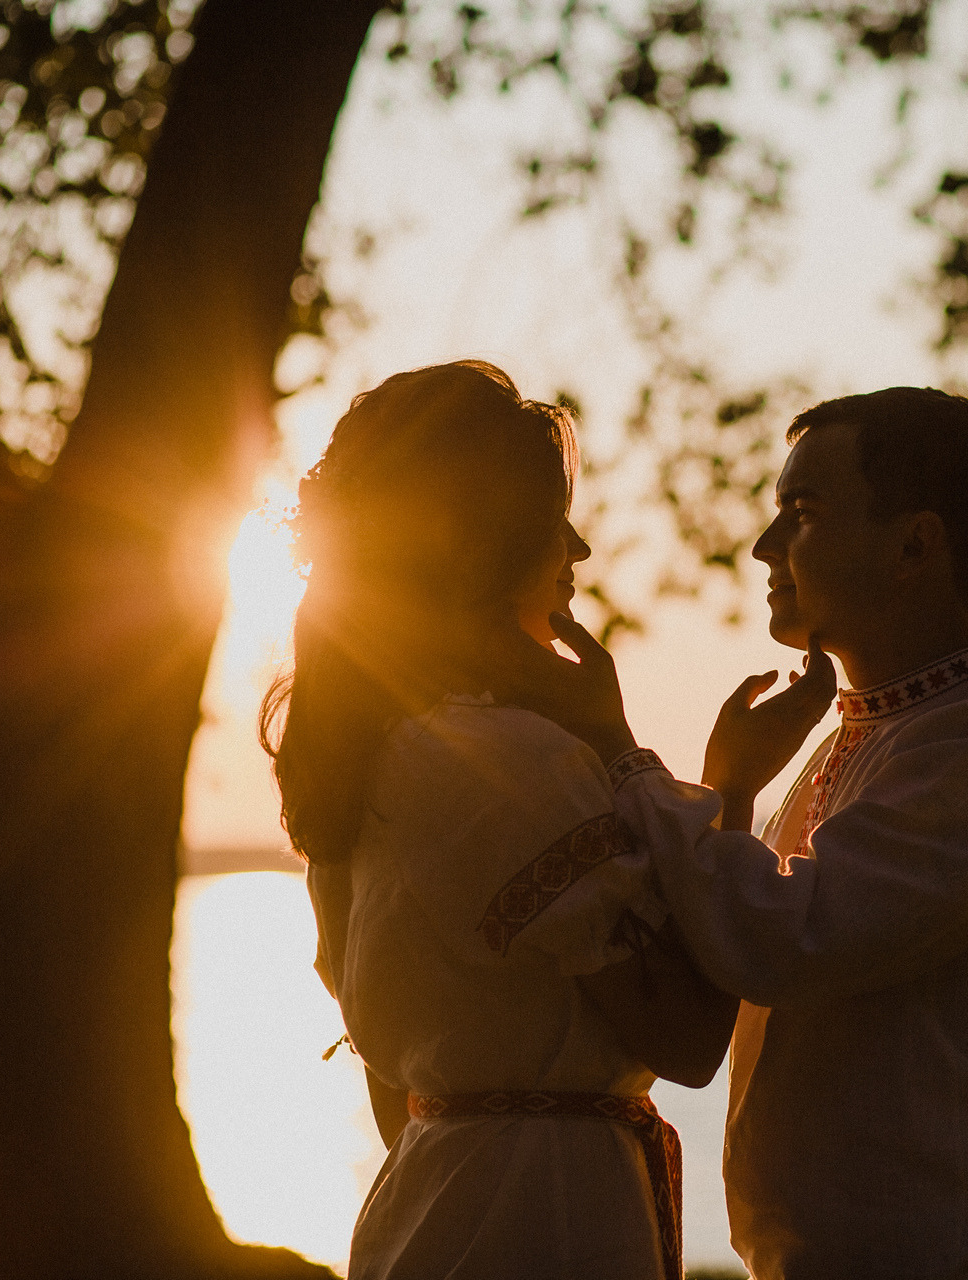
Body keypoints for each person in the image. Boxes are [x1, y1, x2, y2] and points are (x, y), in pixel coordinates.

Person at [516, 387, 968, 1279]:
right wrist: (733, 789)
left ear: (916, 544)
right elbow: (750, 935)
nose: (763, 545)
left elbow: (788, 938)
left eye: (802, 512)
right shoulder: (868, 740)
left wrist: (620, 752)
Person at [259, 361, 735, 1280]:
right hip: (542, 1217)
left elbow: (391, 1087)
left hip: (435, 1200)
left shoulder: (357, 757)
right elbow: (689, 1035)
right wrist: (656, 757)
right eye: (557, 521)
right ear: (492, 542)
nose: (579, 553)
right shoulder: (512, 763)